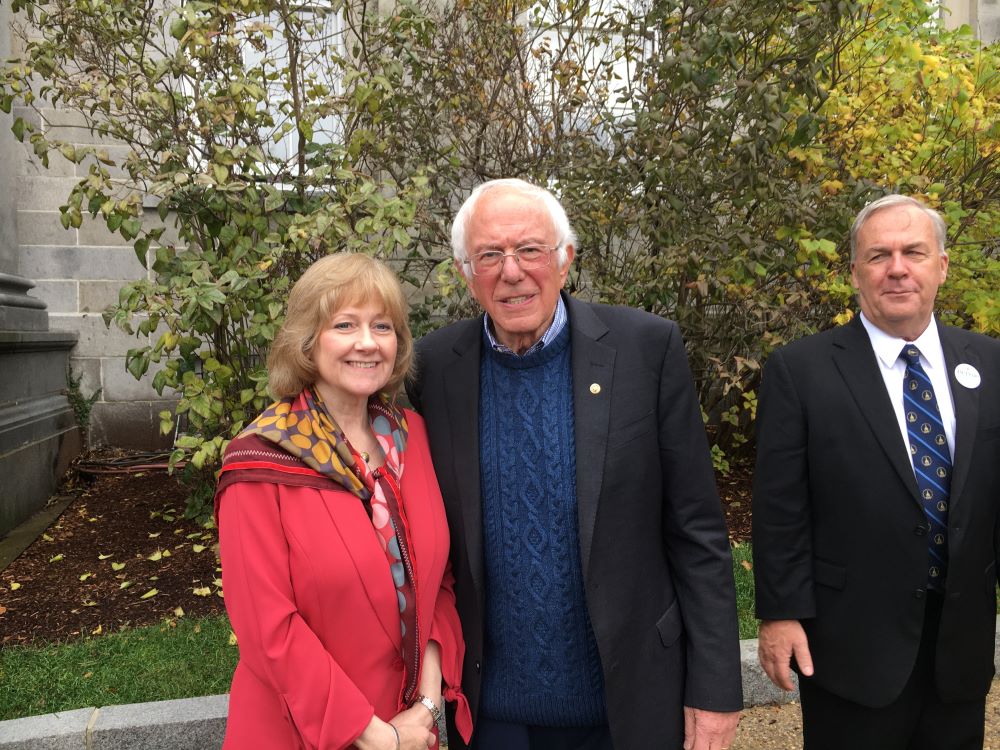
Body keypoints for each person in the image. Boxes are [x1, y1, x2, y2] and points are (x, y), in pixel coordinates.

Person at [406, 178, 743, 750]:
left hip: (627, 703)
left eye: (530, 250)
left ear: (565, 259)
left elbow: (698, 532)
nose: (512, 272)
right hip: (493, 715)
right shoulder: (433, 367)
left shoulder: (646, 349)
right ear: (467, 273)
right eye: (490, 255)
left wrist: (715, 688)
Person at [752, 194, 1000, 749]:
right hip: (851, 648)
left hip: (959, 645)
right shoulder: (801, 370)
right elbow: (779, 508)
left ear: (942, 266)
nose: (897, 269)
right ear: (855, 273)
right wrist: (780, 614)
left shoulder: (990, 362)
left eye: (913, 251)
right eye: (878, 255)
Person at [214, 253, 472, 750]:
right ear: (308, 341)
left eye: (382, 326)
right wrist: (378, 735)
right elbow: (269, 631)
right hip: (302, 733)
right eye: (345, 325)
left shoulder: (412, 437)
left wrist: (427, 705)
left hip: (412, 725)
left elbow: (438, 578)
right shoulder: (260, 461)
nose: (367, 343)